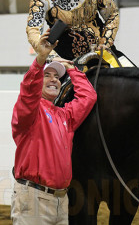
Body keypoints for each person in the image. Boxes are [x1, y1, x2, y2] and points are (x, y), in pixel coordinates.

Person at [11, 29, 97, 225]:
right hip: (33, 200)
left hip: (60, 200)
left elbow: (88, 97)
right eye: (47, 75)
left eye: (57, 76)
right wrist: (40, 59)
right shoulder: (29, 111)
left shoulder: (64, 115)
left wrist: (72, 69)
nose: (54, 79)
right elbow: (28, 90)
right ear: (38, 81)